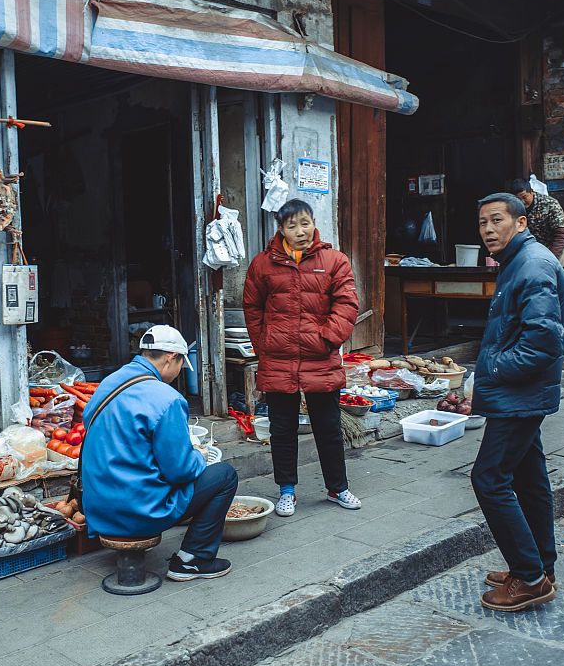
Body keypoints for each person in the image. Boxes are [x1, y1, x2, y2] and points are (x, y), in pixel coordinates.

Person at [471, 192, 564, 612]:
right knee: (529, 480)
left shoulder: (531, 265)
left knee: (489, 479)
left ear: (522, 222)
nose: (489, 230)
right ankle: (539, 566)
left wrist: (491, 368)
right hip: (520, 393)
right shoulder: (519, 262)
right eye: (482, 223)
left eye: (497, 220)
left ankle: (529, 578)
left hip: (520, 393)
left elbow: (543, 342)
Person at [81, 325, 238, 582]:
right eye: (180, 365)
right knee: (224, 475)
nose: (178, 374)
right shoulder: (167, 398)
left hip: (97, 508)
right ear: (170, 357)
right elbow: (180, 470)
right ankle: (192, 560)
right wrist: (200, 455)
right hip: (140, 510)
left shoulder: (108, 383)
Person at [243, 198, 361, 518]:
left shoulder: (334, 260)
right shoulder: (262, 264)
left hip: (319, 357)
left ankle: (338, 488)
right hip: (278, 359)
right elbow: (252, 308)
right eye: (292, 225)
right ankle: (287, 491)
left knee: (328, 427)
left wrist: (327, 338)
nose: (300, 231)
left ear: (313, 223)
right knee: (282, 429)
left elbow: (347, 304)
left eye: (305, 223)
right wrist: (264, 345)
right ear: (281, 229)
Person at [508, 179, 564, 265]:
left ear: (532, 192)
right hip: (531, 251)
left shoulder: (550, 204)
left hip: (554, 249)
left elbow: (561, 234)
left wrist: (550, 258)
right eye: (518, 199)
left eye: (524, 197)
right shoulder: (514, 209)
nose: (522, 202)